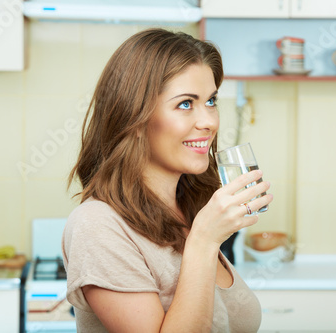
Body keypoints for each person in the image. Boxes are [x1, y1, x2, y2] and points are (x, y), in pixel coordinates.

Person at [62, 28, 273, 332]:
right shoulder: (97, 225)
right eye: (186, 103)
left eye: (211, 101)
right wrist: (203, 240)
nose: (209, 121)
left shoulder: (189, 209)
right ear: (133, 117)